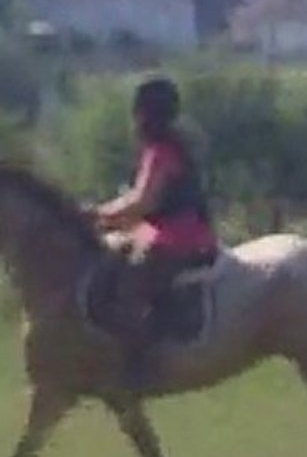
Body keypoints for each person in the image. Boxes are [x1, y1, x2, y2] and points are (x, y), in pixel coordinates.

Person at [93, 76, 218, 386]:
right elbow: (136, 199)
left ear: (144, 114)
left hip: (178, 236)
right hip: (168, 229)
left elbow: (143, 202)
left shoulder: (161, 152)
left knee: (132, 281)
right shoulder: (170, 147)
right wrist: (104, 214)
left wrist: (98, 215)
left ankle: (141, 361)